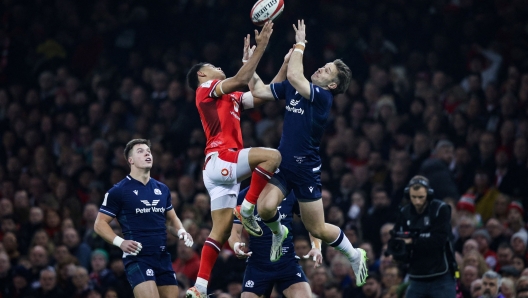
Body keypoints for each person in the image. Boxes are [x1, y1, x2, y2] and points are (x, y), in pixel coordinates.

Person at [246, 19, 368, 287]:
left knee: (318, 229)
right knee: (264, 209)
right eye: (324, 66)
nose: (321, 69)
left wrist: (300, 43)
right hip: (284, 165)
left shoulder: (323, 98)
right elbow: (259, 90)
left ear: (332, 85)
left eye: (327, 71)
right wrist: (250, 63)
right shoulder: (295, 86)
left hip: (306, 170)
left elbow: (293, 75)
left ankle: (354, 253)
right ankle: (280, 233)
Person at [185, 22, 283, 298]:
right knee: (272, 157)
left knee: (220, 231)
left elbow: (265, 94)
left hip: (216, 169)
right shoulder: (206, 89)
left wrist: (287, 61)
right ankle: (247, 208)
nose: (219, 68)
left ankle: (200, 287)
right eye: (214, 66)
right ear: (203, 74)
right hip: (221, 158)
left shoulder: (230, 97)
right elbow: (240, 78)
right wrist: (261, 46)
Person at [94, 139, 194, 298]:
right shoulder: (118, 191)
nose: (147, 153)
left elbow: (169, 220)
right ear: (130, 160)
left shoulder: (162, 189)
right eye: (140, 151)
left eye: (148, 151)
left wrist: (181, 232)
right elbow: (99, 224)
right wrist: (121, 242)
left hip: (162, 257)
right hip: (138, 258)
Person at [228, 187, 322, 298]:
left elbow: (314, 223)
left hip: (287, 264)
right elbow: (234, 231)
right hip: (258, 266)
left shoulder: (291, 192)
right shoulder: (243, 196)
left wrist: (316, 246)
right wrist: (235, 245)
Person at [388, 175, 457, 297]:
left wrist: (412, 241)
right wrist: (399, 253)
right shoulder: (404, 212)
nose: (417, 201)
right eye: (413, 197)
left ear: (429, 195)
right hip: (417, 277)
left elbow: (438, 241)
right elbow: (399, 239)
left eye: (421, 197)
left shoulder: (441, 209)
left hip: (441, 276)